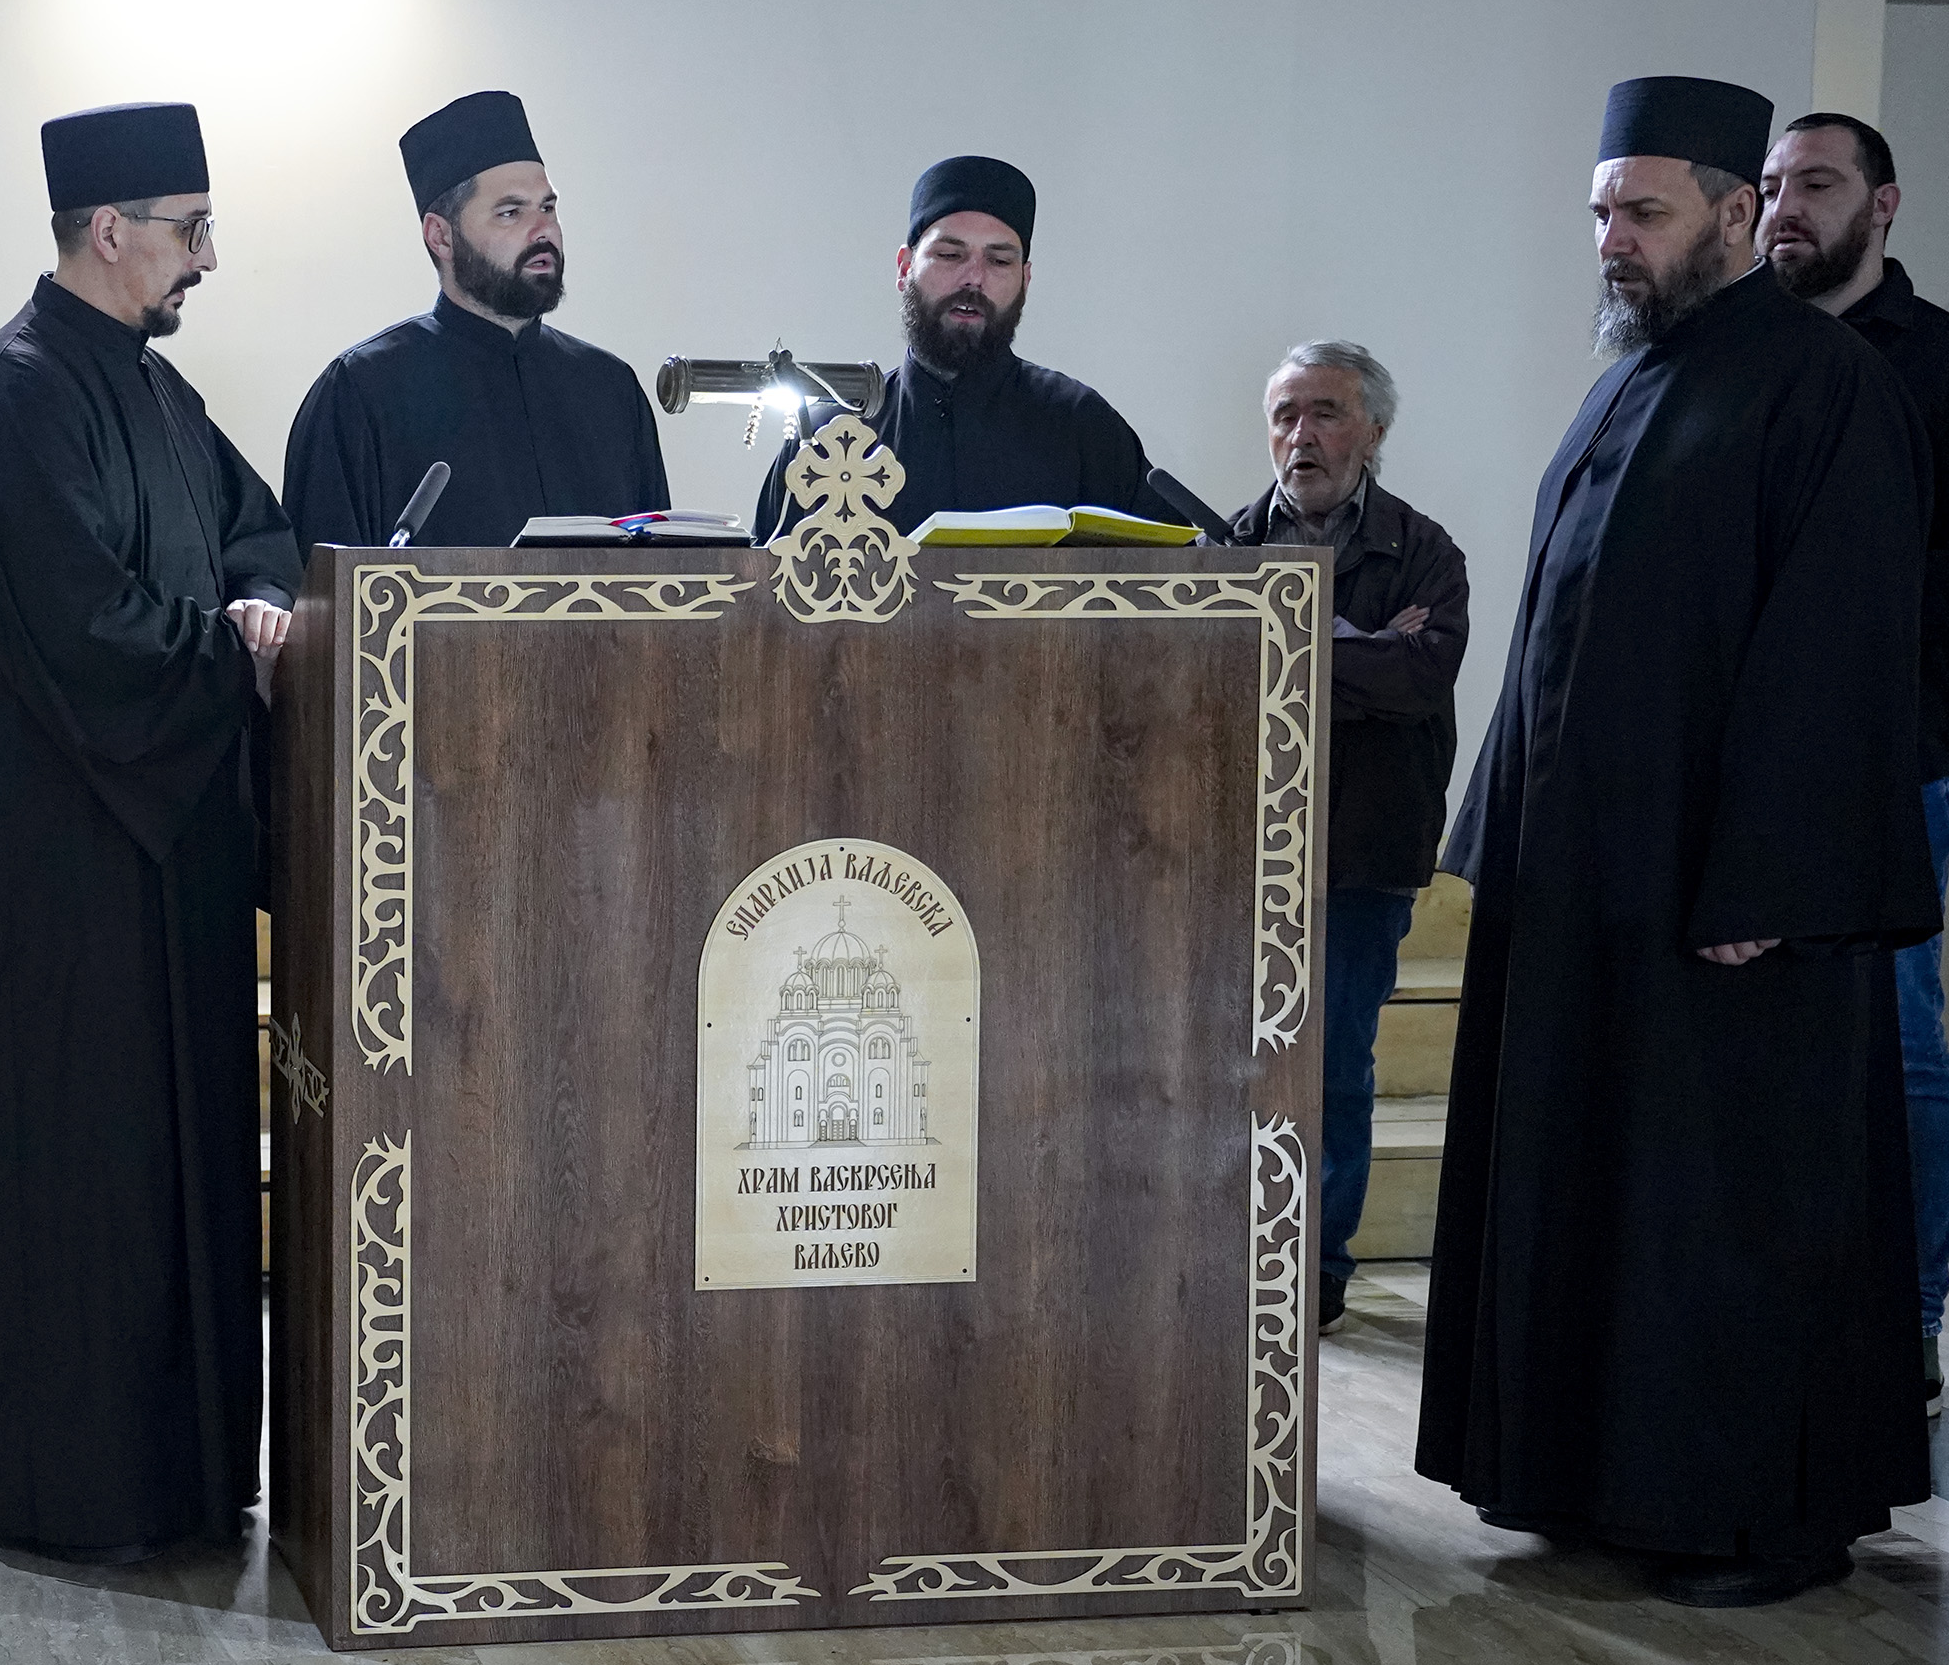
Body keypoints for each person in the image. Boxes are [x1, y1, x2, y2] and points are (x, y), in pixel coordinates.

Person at [1422, 76, 1936, 1608]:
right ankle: (1595, 1478)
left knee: (1725, 1205)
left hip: (1724, 893)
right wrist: (1502, 836)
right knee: (1600, 1190)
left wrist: (1771, 875)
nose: (1614, 240)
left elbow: (1838, 651)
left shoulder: (1824, 385)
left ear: (1736, 210)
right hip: (1587, 883)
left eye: (1643, 212)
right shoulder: (1630, 383)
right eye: (1602, 213)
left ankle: (1756, 1516)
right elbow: (1555, 626)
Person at [0, 102, 300, 1560]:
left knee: (180, 1183)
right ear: (107, 230)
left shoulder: (157, 389)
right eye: (189, 230)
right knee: (81, 1186)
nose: (205, 257)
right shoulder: (12, 394)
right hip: (70, 880)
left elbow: (260, 530)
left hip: (177, 864)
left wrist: (257, 605)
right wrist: (226, 657)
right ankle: (65, 1489)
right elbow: (78, 625)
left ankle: (188, 1479)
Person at [1758, 113, 1949, 1413]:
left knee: (1895, 1040)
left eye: (1816, 184)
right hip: (1734, 757)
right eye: (1772, 184)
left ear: (1882, 205)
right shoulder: (1732, 351)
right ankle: (1769, 1310)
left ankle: (1910, 1318)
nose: (1785, 207)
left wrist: (1863, 613)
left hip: (1888, 750)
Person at [1224, 343, 1469, 1336]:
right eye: (1285, 415)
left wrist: (1291, 640)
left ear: (1372, 431)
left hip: (1362, 855)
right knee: (1232, 1069)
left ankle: (1315, 1268)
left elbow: (1418, 681)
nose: (1301, 436)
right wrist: (1360, 643)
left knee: (1331, 1067)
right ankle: (1237, 1254)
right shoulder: (1228, 544)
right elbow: (1212, 687)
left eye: (1324, 413)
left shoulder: (1424, 552)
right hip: (1240, 855)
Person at [283, 90, 668, 547]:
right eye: (510, 213)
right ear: (441, 237)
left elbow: (660, 572)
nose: (543, 231)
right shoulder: (359, 392)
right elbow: (324, 584)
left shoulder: (610, 389)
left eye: (548, 208)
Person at [752, 154, 1155, 538]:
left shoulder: (1082, 426)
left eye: (999, 261)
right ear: (905, 268)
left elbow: (1169, 570)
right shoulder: (828, 437)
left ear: (1025, 280)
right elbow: (763, 573)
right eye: (949, 254)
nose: (973, 278)